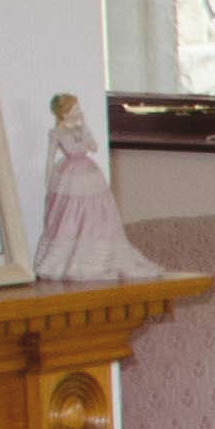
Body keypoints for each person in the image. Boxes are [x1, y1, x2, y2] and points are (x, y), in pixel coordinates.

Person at [33, 95, 164, 286]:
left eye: (78, 107)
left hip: (89, 172)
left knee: (96, 213)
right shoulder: (57, 133)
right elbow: (50, 159)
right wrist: (49, 181)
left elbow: (93, 147)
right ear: (64, 112)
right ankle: (70, 258)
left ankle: (97, 256)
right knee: (70, 215)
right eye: (74, 109)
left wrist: (85, 127)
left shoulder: (79, 129)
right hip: (70, 177)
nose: (78, 111)